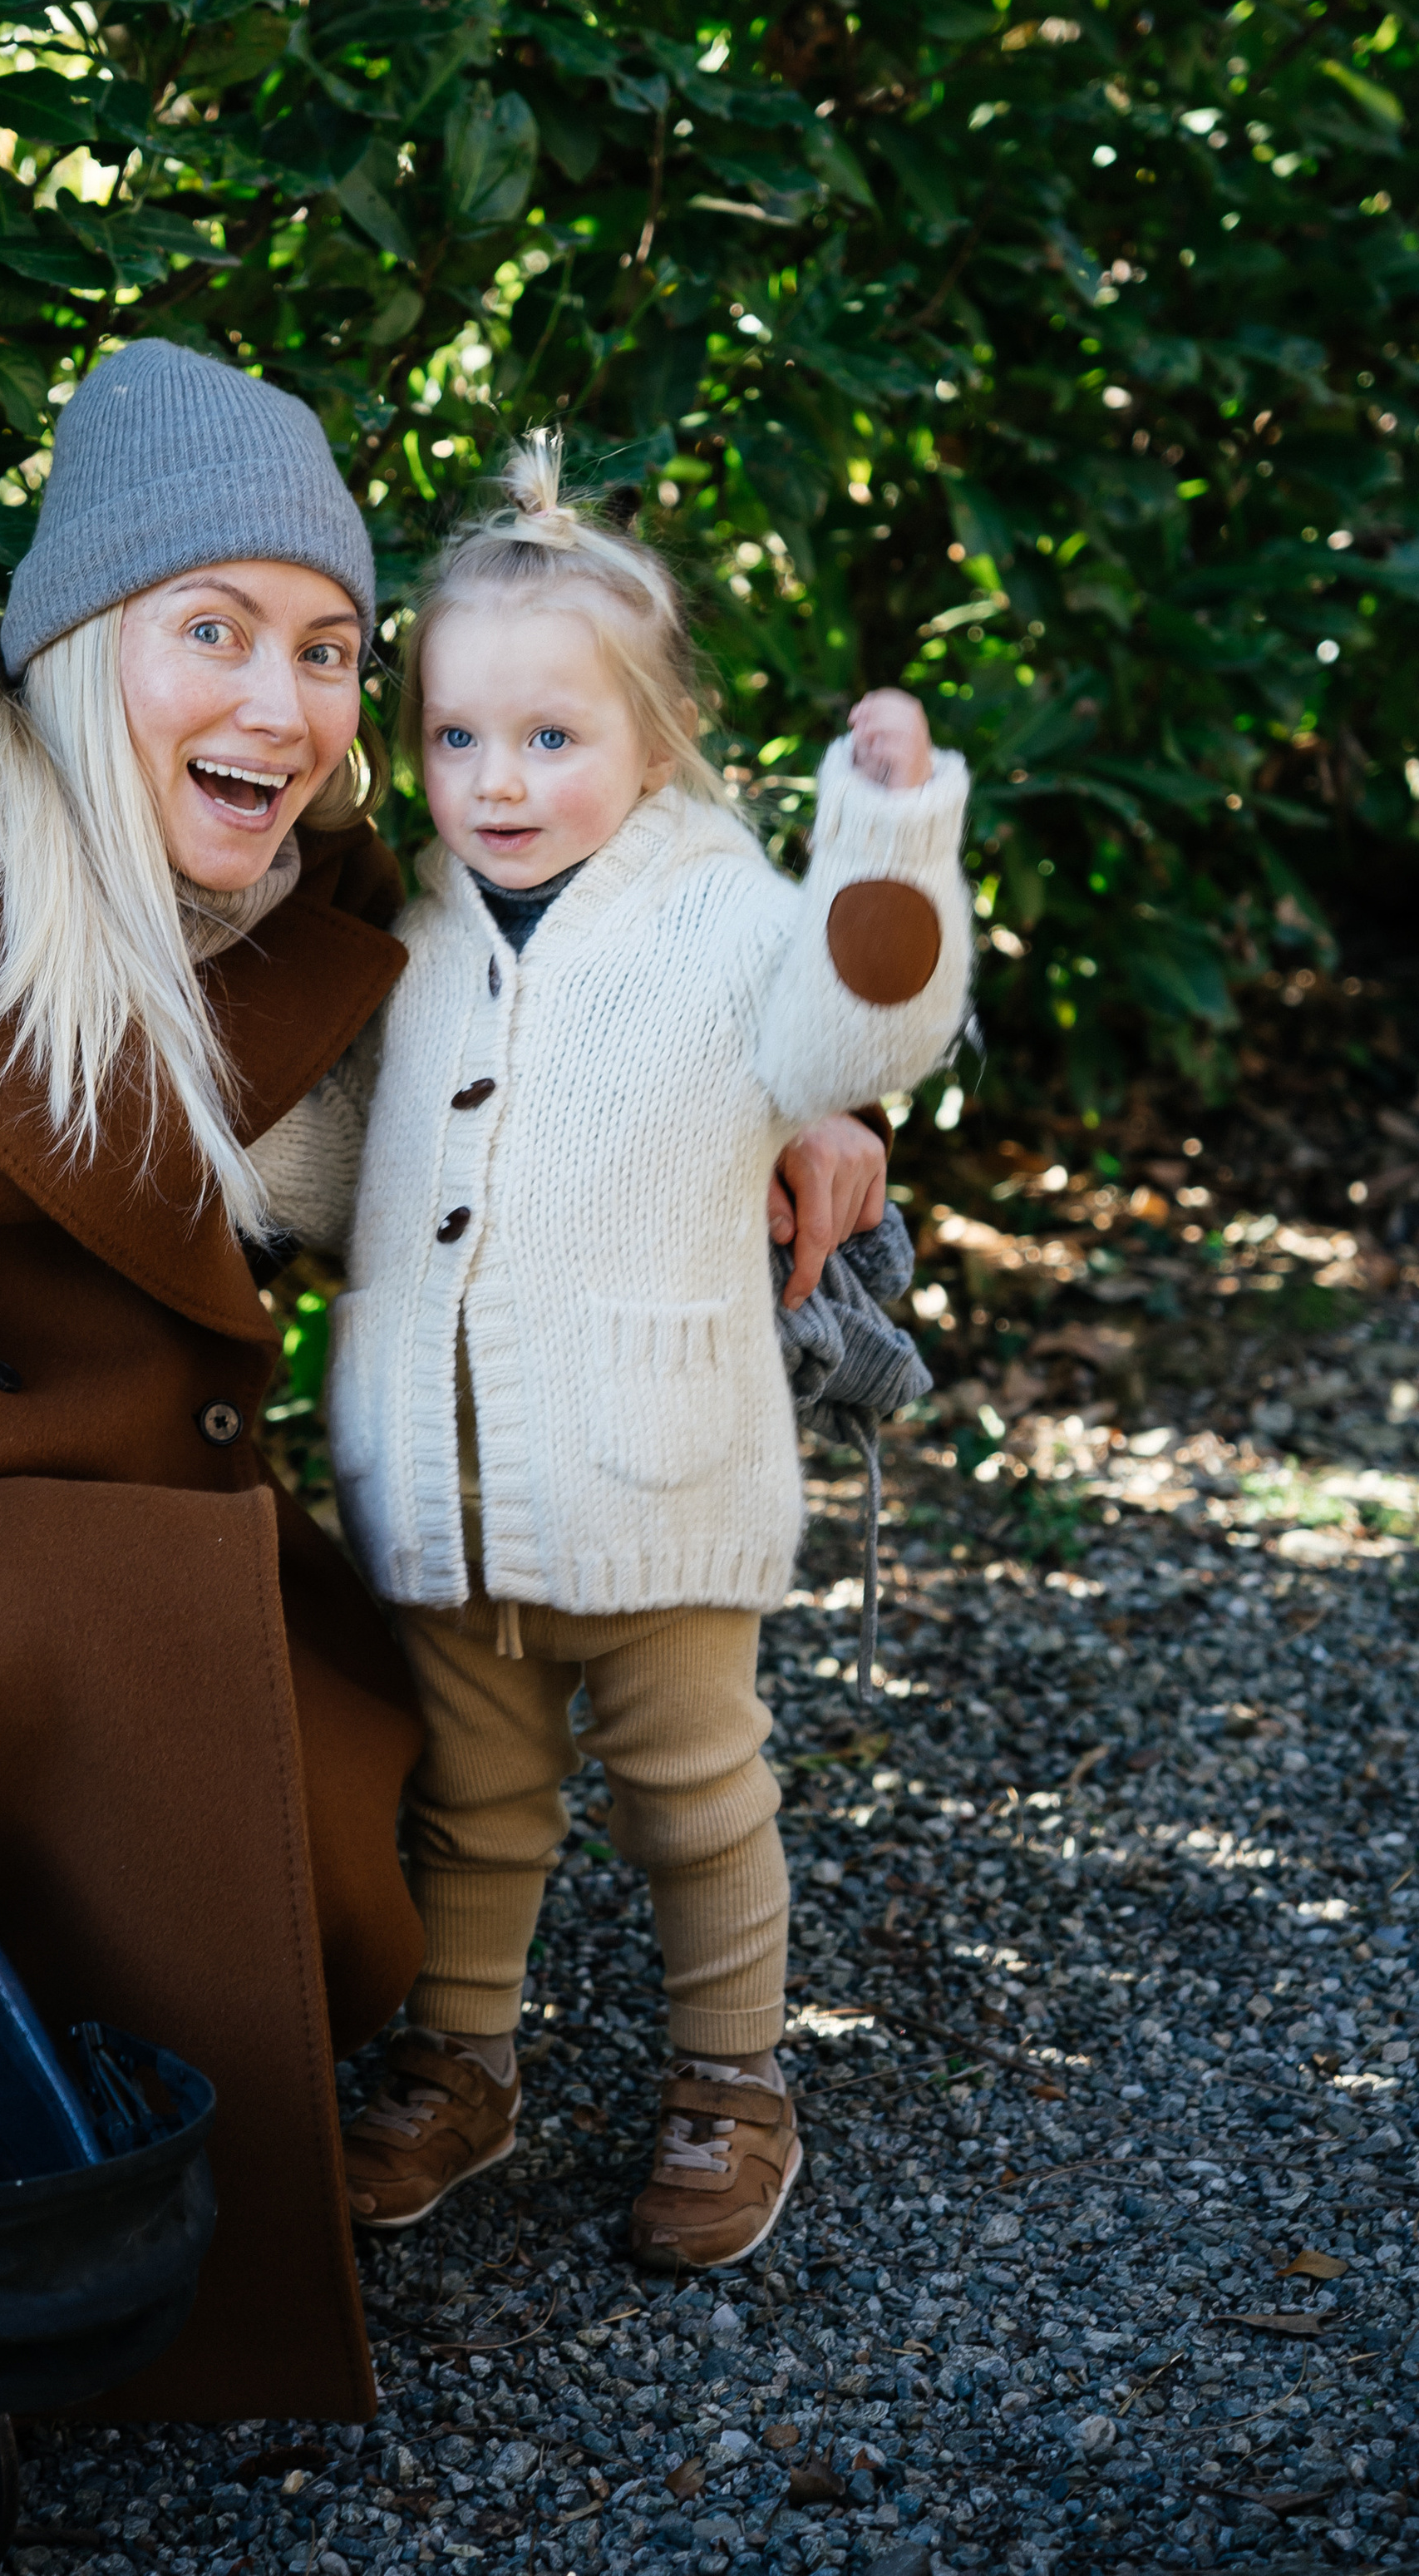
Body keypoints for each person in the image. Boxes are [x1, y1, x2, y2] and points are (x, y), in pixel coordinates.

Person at [0, 343, 881, 2417]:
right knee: (58, 1692)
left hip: (198, 1584)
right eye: (212, 632)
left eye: (326, 647)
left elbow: (591, 1044)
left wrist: (797, 1115)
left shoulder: (326, 923)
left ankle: (131, 2176)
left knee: (324, 1835)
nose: (283, 709)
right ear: (75, 637)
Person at [324, 445, 973, 2271]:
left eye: (550, 739)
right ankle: (461, 2062)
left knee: (694, 1788)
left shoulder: (717, 914)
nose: (498, 781)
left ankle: (729, 2079)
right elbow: (340, 1156)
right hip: (440, 1464)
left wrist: (884, 837)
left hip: (652, 1453)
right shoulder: (405, 933)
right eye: (457, 739)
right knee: (469, 1798)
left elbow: (867, 1015)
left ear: (657, 732)